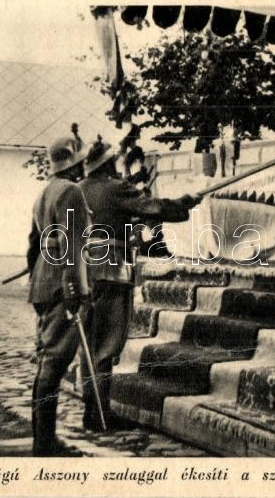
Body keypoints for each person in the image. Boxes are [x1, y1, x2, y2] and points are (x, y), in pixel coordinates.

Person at [79, 139, 201, 431]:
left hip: (83, 270)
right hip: (111, 270)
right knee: (106, 344)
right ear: (108, 164)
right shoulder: (115, 188)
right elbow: (154, 207)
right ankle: (100, 415)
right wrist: (186, 202)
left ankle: (92, 410)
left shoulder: (79, 189)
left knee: (89, 343)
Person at [26, 135, 91, 456]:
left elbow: (32, 245)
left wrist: (37, 279)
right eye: (81, 162)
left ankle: (43, 437)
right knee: (54, 362)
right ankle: (45, 442)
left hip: (42, 281)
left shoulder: (45, 193)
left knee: (47, 360)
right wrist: (73, 288)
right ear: (75, 164)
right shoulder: (71, 192)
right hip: (60, 283)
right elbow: (71, 245)